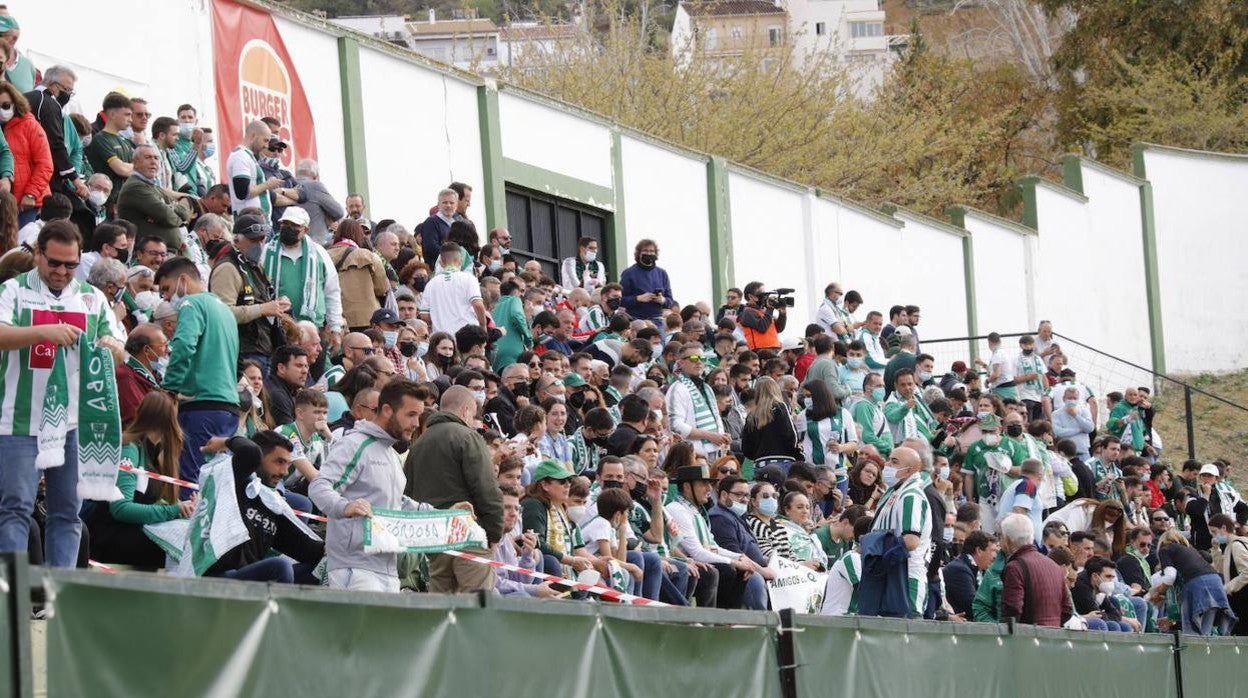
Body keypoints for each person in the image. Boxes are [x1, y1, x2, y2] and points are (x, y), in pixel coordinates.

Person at [0, 221, 122, 566]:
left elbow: (117, 348)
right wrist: (43, 332)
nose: (62, 271)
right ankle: (11, 596)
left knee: (67, 514)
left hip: (72, 422)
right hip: (18, 418)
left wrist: (111, 346)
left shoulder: (91, 297)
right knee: (15, 509)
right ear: (38, 253)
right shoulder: (13, 290)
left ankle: (58, 598)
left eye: (70, 264)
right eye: (54, 262)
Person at [310, 380, 436, 592]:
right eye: (411, 414)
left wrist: (448, 515)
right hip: (354, 568)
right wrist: (343, 506)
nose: (416, 423)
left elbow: (398, 504)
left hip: (388, 569)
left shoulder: (392, 455)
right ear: (387, 410)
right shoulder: (354, 444)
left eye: (419, 415)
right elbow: (319, 486)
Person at [404, 385, 504, 591]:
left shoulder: (419, 443)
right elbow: (487, 488)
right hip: (468, 533)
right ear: (467, 411)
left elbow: (408, 492)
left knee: (440, 602)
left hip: (433, 534)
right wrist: (494, 533)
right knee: (475, 605)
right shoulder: (468, 436)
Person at [156, 256, 241, 497]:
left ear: (183, 280)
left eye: (166, 289)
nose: (165, 297)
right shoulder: (224, 311)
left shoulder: (191, 305)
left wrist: (169, 388)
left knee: (190, 484)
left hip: (201, 404)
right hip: (228, 407)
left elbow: (183, 345)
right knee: (214, 487)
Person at [198, 432, 324, 583]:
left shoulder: (273, 504)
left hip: (251, 579)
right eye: (279, 462)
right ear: (259, 458)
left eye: (287, 465)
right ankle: (276, 607)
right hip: (217, 578)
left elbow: (309, 550)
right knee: (280, 567)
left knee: (325, 567)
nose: (284, 472)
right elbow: (249, 451)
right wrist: (225, 442)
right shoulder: (235, 480)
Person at [85, 392, 193, 568]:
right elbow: (121, 508)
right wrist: (173, 510)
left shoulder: (153, 453)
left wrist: (184, 507)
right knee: (179, 550)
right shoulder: (130, 449)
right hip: (111, 537)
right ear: (167, 420)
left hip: (134, 532)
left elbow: (157, 502)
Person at [665, 464, 768, 609]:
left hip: (697, 560)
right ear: (687, 487)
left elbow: (713, 547)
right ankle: (713, 620)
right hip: (684, 561)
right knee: (725, 570)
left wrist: (739, 557)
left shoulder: (697, 511)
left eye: (709, 484)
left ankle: (731, 619)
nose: (709, 489)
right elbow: (697, 552)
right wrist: (733, 562)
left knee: (742, 568)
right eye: (703, 484)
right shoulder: (678, 509)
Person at [209, 214, 288, 373]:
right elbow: (221, 314)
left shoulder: (253, 265)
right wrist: (262, 309)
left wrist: (277, 304)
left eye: (262, 239)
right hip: (241, 353)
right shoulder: (228, 268)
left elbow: (260, 300)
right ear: (236, 242)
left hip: (262, 347)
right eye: (253, 240)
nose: (259, 244)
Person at [261, 206, 344, 351]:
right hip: (277, 327)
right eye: (285, 224)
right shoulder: (266, 252)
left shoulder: (319, 253)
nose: (289, 228)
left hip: (313, 328)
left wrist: (336, 327)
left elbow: (332, 291)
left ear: (306, 230)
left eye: (294, 226)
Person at [870, 446, 931, 616]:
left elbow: (911, 541)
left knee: (904, 637)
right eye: (889, 459)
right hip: (891, 576)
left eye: (894, 462)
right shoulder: (895, 492)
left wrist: (874, 548)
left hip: (906, 579)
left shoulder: (911, 496)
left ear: (908, 471)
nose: (887, 465)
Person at [1157, 530, 1236, 635]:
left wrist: (1159, 592)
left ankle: (1196, 648)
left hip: (1197, 582)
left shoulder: (1166, 549)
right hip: (1215, 581)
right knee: (1207, 621)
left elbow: (1170, 575)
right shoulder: (1191, 550)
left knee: (1191, 627)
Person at [999, 513, 1071, 627]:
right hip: (1053, 638)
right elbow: (1067, 609)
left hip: (1026, 640)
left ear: (1007, 539)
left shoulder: (1015, 567)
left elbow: (1012, 610)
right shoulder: (1054, 566)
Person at [116, 144, 193, 250]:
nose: (153, 162)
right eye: (147, 157)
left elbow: (180, 215)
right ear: (135, 163)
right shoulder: (136, 187)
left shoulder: (153, 186)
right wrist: (178, 212)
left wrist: (172, 209)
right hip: (150, 255)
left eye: (156, 158)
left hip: (166, 252)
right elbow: (168, 217)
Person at [666, 342, 732, 458]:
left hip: (716, 453)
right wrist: (709, 435)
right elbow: (675, 426)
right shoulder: (677, 388)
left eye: (702, 358)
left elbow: (716, 418)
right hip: (692, 455)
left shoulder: (707, 388)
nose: (699, 362)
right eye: (693, 358)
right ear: (681, 363)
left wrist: (722, 436)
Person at [0, 82, 51, 227]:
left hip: (27, 202)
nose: (2, 110)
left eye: (5, 105)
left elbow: (45, 164)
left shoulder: (30, 125)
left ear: (15, 103)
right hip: (6, 199)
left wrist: (31, 194)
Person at [327, 218, 388, 331]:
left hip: (335, 317)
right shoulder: (369, 256)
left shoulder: (324, 256)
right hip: (367, 318)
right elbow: (382, 288)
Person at [706, 476, 771, 572]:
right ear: (724, 495)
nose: (745, 500)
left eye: (747, 495)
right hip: (748, 574)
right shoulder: (720, 518)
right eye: (739, 495)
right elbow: (734, 554)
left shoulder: (736, 516)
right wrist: (762, 571)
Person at [420, 242, 486, 335]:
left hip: (442, 339)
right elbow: (478, 305)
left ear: (441, 263)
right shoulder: (469, 278)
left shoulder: (431, 284)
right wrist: (483, 325)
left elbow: (424, 316)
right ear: (460, 260)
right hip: (468, 337)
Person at [84, 92, 134, 213]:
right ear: (112, 114)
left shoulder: (126, 142)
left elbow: (137, 171)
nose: (131, 120)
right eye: (127, 115)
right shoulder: (101, 138)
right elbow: (121, 169)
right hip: (106, 203)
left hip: (123, 202)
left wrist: (131, 168)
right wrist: (132, 167)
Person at [226, 120, 285, 218]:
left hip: (257, 220)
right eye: (265, 140)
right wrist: (267, 184)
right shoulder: (241, 156)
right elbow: (243, 193)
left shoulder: (249, 156)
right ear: (253, 136)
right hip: (250, 221)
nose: (266, 146)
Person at [742, 375, 803, 469]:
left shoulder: (751, 415)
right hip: (783, 461)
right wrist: (798, 454)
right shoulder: (780, 407)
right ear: (775, 389)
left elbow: (746, 448)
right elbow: (790, 435)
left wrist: (758, 456)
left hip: (760, 464)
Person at [115, 324, 167, 425]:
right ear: (147, 350)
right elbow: (136, 420)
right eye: (163, 346)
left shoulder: (152, 375)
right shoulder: (126, 377)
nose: (168, 350)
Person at [1208, 513, 1248, 635]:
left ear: (1224, 528)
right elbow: (1222, 570)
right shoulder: (1229, 547)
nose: (1214, 536)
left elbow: (1246, 572)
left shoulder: (1236, 545)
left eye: (1214, 532)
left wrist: (1227, 588)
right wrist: (1215, 549)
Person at [1072, 556, 1135, 632]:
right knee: (1112, 625)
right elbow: (1098, 615)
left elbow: (1115, 613)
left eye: (1112, 577)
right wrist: (1109, 614)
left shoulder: (1099, 587)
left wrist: (1110, 614)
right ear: (1095, 576)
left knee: (1125, 626)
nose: (1110, 581)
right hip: (1080, 622)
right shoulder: (1081, 587)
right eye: (1108, 576)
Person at [619, 239, 674, 325]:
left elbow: (670, 301)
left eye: (651, 251)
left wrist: (662, 300)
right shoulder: (629, 273)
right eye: (645, 251)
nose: (648, 254)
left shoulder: (662, 273)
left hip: (657, 320)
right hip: (635, 319)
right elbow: (620, 300)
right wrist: (638, 299)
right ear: (639, 254)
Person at [943, 530, 997, 618]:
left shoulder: (975, 569)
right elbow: (973, 607)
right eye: (993, 550)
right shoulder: (959, 570)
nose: (995, 556)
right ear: (979, 550)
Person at [292, 159, 343, 245]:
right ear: (316, 176)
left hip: (290, 244)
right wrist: (327, 217)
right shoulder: (315, 186)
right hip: (315, 244)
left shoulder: (287, 184)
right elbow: (339, 212)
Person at [736, 281, 787, 351]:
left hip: (774, 348)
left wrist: (782, 314)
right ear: (750, 296)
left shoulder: (764, 311)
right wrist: (770, 309)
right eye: (762, 294)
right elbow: (762, 327)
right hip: (760, 351)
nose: (765, 297)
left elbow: (779, 328)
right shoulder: (747, 312)